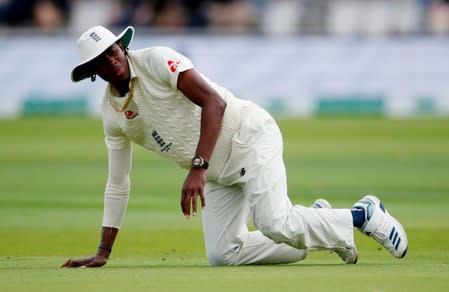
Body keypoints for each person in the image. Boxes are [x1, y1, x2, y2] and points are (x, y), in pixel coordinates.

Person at [61, 25, 408, 268]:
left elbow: (214, 103)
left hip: (247, 137)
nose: (112, 61)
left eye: (113, 51)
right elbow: (118, 183)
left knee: (274, 222)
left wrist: (197, 168)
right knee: (225, 254)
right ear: (92, 71)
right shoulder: (112, 114)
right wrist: (103, 251)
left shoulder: (156, 60)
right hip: (216, 171)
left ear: (122, 46)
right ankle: (321, 221)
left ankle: (363, 215)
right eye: (101, 60)